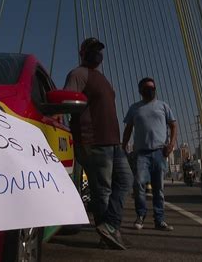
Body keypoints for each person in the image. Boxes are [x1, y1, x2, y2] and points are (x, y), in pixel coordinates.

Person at [64, 37, 133, 250]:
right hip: (94, 141)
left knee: (126, 180)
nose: (97, 54)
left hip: (112, 142)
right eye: (93, 50)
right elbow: (67, 100)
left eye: (99, 50)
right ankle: (108, 235)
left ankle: (110, 226)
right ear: (83, 53)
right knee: (102, 190)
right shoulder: (78, 74)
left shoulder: (101, 78)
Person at [122, 77, 177, 231]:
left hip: (159, 152)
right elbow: (128, 129)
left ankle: (159, 220)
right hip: (141, 154)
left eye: (152, 87)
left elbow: (173, 125)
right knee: (138, 184)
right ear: (140, 91)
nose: (150, 90)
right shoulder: (134, 108)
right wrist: (123, 146)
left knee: (159, 188)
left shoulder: (163, 106)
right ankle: (140, 215)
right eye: (147, 88)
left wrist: (171, 144)